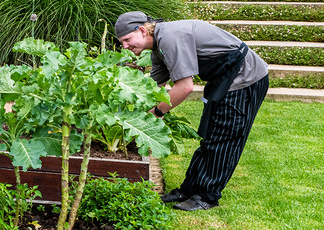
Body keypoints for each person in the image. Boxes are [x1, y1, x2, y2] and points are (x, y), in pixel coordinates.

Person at [115, 11, 268, 211]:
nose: (125, 46)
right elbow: (153, 89)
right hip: (223, 78)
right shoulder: (159, 47)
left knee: (224, 139)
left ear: (142, 30)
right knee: (210, 137)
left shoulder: (170, 38)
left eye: (127, 39)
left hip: (244, 78)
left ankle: (207, 196)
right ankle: (189, 190)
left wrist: (157, 113)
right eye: (122, 42)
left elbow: (184, 87)